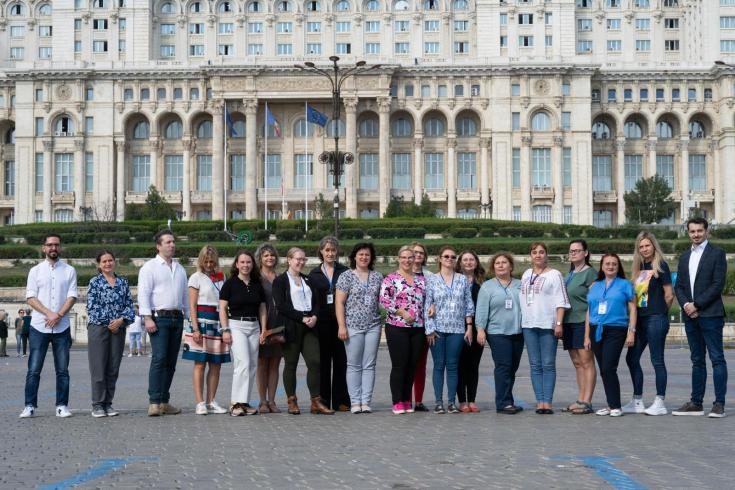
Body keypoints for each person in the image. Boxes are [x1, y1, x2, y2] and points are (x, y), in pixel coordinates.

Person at [673, 217, 728, 418]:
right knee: (697, 360)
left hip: (710, 314)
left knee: (717, 359)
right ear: (688, 233)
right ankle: (696, 402)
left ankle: (719, 404)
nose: (696, 234)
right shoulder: (685, 256)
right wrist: (687, 305)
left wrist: (697, 304)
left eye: (699, 231)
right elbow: (679, 285)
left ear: (707, 231)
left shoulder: (717, 253)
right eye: (692, 231)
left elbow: (717, 284)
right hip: (691, 316)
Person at [20, 234, 78, 419]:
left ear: (59, 248)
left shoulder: (69, 270)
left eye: (56, 245)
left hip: (62, 327)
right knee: (34, 369)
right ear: (43, 248)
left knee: (62, 370)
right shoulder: (35, 271)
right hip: (39, 326)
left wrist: (59, 315)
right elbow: (30, 297)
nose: (53, 247)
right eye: (50, 245)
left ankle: (62, 405)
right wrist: (49, 313)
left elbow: (72, 296)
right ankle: (29, 405)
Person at [273, 247, 333, 415]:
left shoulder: (308, 280)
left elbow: (317, 302)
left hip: (310, 326)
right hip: (292, 325)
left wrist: (314, 316)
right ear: (289, 260)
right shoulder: (281, 281)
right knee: (290, 364)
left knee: (315, 362)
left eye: (303, 259)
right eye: (297, 259)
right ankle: (292, 400)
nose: (300, 262)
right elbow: (281, 305)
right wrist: (301, 317)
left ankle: (316, 401)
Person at [138, 230, 189, 417]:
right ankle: (154, 401)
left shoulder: (180, 268)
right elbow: (143, 294)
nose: (172, 245)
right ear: (158, 246)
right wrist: (147, 318)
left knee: (171, 361)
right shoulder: (149, 267)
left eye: (173, 242)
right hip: (159, 318)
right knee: (159, 359)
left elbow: (184, 295)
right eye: (168, 242)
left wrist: (189, 318)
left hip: (177, 318)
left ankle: (164, 401)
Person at [624, 231, 673, 416]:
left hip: (655, 319)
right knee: (631, 358)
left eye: (647, 245)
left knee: (657, 360)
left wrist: (660, 312)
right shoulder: (638, 268)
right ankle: (637, 401)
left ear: (654, 246)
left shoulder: (660, 265)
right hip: (641, 320)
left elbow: (669, 295)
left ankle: (660, 401)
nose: (645, 249)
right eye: (641, 246)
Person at [519, 242, 570, 415]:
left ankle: (547, 401)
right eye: (535, 252)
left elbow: (561, 300)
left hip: (548, 325)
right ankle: (539, 400)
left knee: (548, 364)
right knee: (535, 365)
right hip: (528, 325)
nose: (538, 255)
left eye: (541, 252)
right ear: (530, 255)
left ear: (547, 255)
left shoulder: (555, 275)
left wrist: (558, 323)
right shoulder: (526, 274)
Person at [585, 253, 636, 417]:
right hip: (596, 329)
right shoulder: (595, 286)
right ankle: (610, 404)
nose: (610, 266)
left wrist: (631, 332)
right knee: (604, 369)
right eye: (607, 263)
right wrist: (586, 336)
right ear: (602, 266)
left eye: (614, 264)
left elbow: (633, 309)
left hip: (616, 329)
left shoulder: (625, 284)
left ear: (618, 266)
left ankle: (616, 406)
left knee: (608, 367)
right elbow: (589, 312)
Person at [424, 246, 474, 414]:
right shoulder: (431, 279)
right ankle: (439, 402)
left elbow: (468, 303)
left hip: (457, 329)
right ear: (440, 259)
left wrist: (469, 326)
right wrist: (429, 329)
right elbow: (427, 305)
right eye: (446, 256)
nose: (450, 259)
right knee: (439, 365)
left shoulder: (462, 279)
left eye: (453, 257)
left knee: (452, 365)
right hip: (437, 329)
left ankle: (451, 402)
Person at [335, 243, 384, 414]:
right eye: (361, 254)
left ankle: (366, 401)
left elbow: (384, 301)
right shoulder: (346, 276)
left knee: (369, 364)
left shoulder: (378, 277)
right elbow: (339, 302)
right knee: (354, 365)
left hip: (373, 325)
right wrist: (342, 325)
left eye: (367, 255)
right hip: (352, 326)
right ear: (354, 257)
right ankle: (355, 402)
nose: (364, 257)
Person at [86, 249, 135, 417]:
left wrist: (121, 320)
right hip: (99, 328)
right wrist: (110, 322)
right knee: (98, 366)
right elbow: (92, 307)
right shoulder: (94, 282)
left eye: (110, 260)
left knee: (113, 367)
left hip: (118, 328)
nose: (108, 263)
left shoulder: (123, 282)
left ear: (115, 261)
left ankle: (108, 403)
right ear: (99, 264)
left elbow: (129, 305)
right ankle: (97, 404)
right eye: (104, 261)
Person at [380, 245, 427, 415]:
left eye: (410, 257)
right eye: (404, 257)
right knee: (399, 365)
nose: (407, 260)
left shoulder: (421, 280)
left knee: (412, 365)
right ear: (398, 259)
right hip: (397, 327)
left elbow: (427, 300)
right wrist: (402, 312)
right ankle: (397, 401)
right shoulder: (391, 279)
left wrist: (432, 307)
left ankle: (407, 400)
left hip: (417, 328)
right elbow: (384, 301)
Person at [183, 245, 230, 416]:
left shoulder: (221, 276)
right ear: (201, 261)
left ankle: (211, 400)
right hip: (201, 321)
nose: (209, 264)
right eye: (206, 261)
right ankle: (200, 402)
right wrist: (195, 328)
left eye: (212, 261)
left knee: (216, 364)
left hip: (218, 321)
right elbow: (192, 305)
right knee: (200, 363)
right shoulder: (195, 277)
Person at [219, 250, 267, 416]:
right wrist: (225, 330)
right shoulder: (230, 284)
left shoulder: (256, 284)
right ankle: (235, 404)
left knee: (252, 365)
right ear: (237, 264)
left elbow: (262, 308)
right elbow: (222, 308)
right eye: (242, 262)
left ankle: (244, 402)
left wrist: (264, 329)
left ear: (252, 264)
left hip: (254, 326)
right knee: (243, 363)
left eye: (248, 262)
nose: (245, 265)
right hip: (236, 325)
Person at [476, 252, 524, 414]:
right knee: (503, 366)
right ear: (493, 267)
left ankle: (508, 400)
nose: (501, 265)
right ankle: (502, 403)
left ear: (511, 266)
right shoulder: (487, 286)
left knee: (512, 368)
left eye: (504, 262)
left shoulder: (520, 284)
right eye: (497, 263)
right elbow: (481, 310)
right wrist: (480, 329)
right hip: (497, 332)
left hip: (518, 331)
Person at [308, 236, 350, 411]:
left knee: (341, 361)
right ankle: (323, 400)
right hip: (322, 323)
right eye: (327, 250)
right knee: (323, 362)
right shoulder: (314, 274)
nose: (330, 253)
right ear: (321, 252)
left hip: (341, 321)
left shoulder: (345, 271)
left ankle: (341, 400)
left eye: (333, 250)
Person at [561, 240, 598, 415]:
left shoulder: (590, 273)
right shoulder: (569, 274)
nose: (574, 253)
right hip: (568, 322)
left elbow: (593, 302)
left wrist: (588, 331)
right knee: (577, 363)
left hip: (582, 322)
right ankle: (580, 398)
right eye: (571, 251)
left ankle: (587, 401)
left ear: (586, 253)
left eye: (577, 250)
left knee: (586, 361)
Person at [255, 243, 283, 413]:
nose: (269, 258)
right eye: (266, 255)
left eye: (272, 255)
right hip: (261, 324)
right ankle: (262, 401)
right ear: (260, 258)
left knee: (275, 364)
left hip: (278, 325)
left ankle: (272, 400)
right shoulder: (257, 278)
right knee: (262, 363)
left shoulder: (280, 277)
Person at [455, 250, 485, 413]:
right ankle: (461, 401)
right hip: (457, 327)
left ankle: (472, 400)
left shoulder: (482, 282)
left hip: (477, 328)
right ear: (460, 263)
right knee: (460, 365)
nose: (468, 262)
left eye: (471, 259)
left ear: (476, 262)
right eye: (465, 260)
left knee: (473, 365)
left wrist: (481, 329)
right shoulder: (455, 281)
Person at [410, 241, 432, 412]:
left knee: (421, 365)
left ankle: (418, 400)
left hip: (423, 326)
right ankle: (404, 399)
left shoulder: (430, 276)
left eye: (421, 253)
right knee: (405, 364)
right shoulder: (402, 274)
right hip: (403, 327)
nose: (418, 255)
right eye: (415, 252)